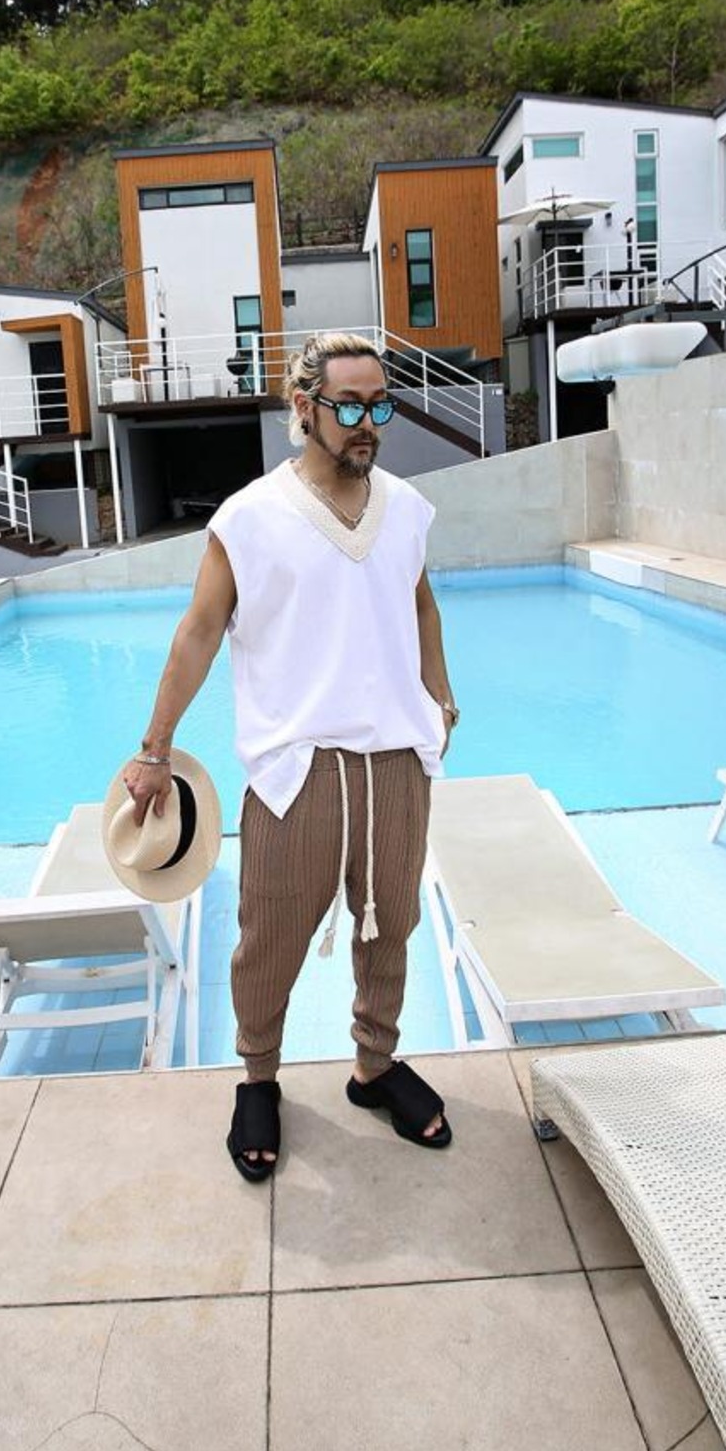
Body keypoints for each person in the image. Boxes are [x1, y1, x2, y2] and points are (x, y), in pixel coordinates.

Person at [122, 331, 459, 1181]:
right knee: (269, 936)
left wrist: (440, 696)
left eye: (380, 405)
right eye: (350, 406)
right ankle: (259, 1078)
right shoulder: (249, 518)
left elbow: (420, 604)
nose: (367, 423)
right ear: (304, 407)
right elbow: (200, 633)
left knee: (391, 929)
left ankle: (374, 1067)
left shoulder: (407, 509)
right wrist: (155, 749)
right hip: (296, 769)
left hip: (396, 760)